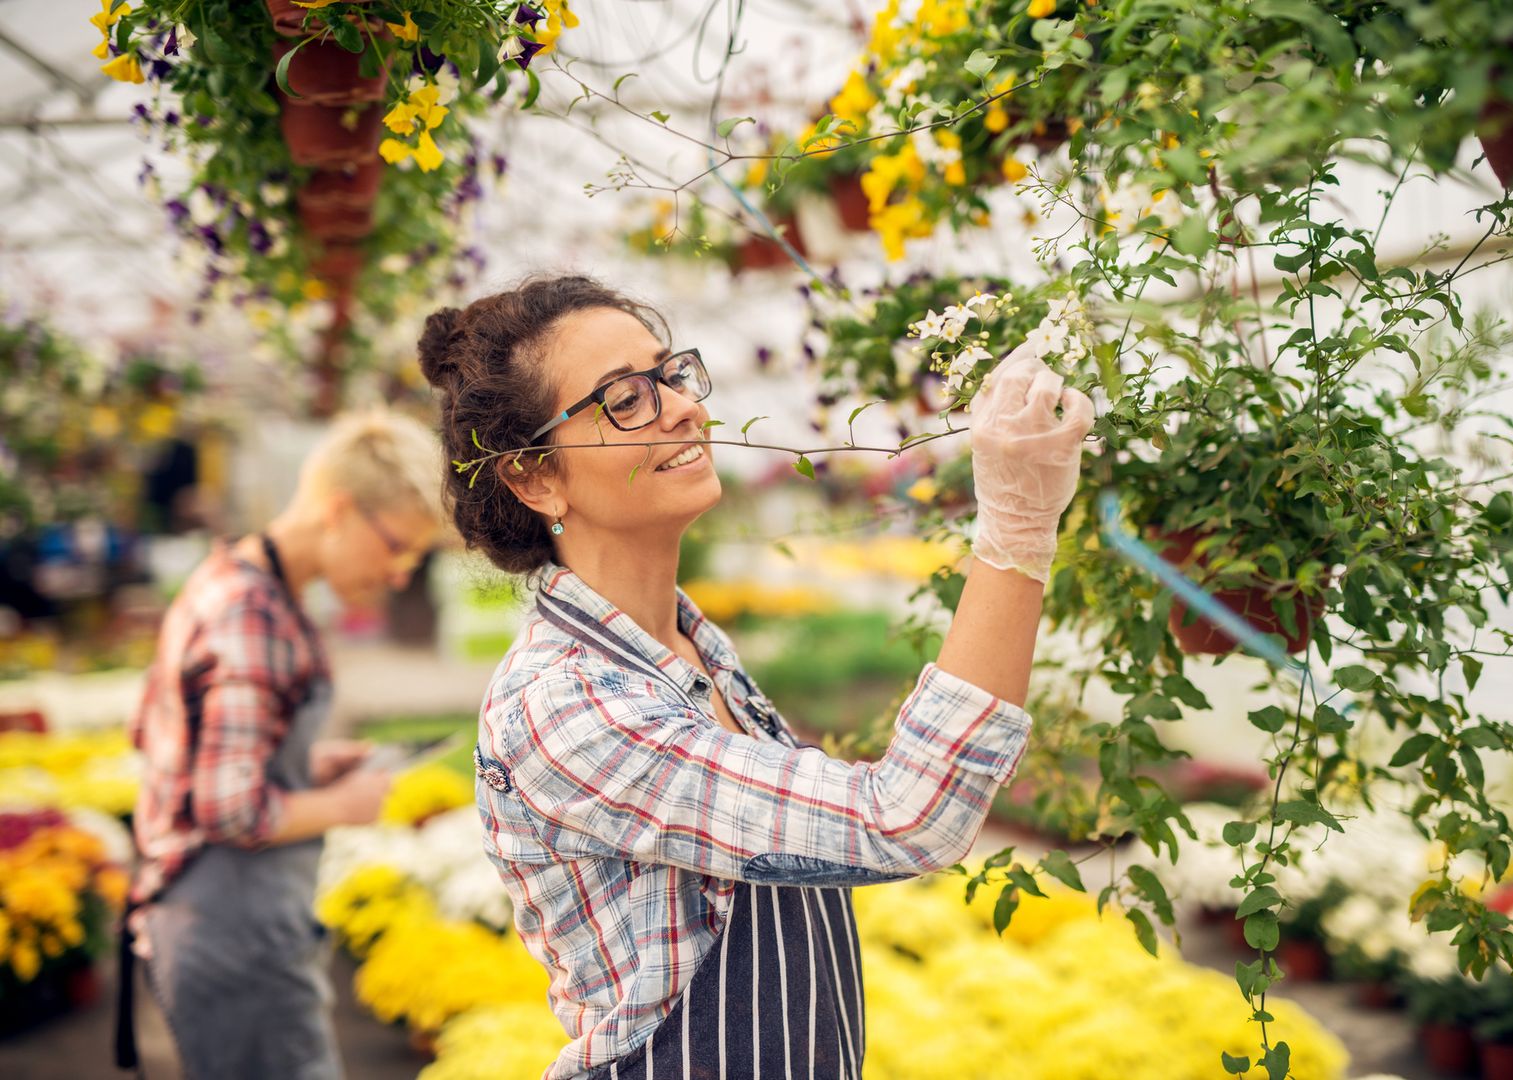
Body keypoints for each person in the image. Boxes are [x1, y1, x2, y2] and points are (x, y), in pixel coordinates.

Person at [418, 274, 1092, 1080]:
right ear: (534, 477)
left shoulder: (688, 646)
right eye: (622, 399)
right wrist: (1015, 529)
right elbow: (905, 818)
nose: (680, 406)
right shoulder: (566, 702)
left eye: (669, 375)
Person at [117, 409, 446, 1078]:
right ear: (340, 510)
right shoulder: (252, 615)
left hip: (214, 922)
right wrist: (345, 805)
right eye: (396, 547)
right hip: (232, 934)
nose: (399, 574)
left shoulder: (239, 580)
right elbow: (227, 811)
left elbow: (181, 743)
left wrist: (305, 767)